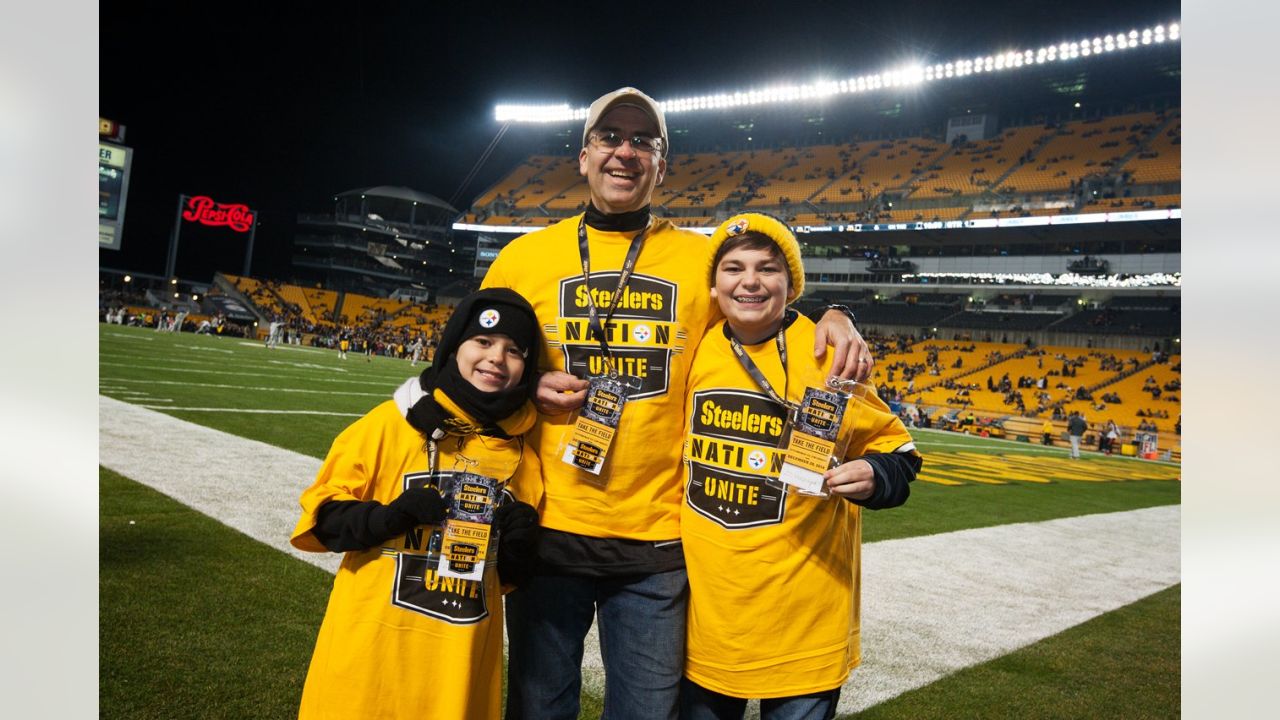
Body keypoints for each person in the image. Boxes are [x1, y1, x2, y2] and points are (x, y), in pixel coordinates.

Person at [481, 87, 874, 720]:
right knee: (537, 708)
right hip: (550, 529)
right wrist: (527, 387)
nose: (625, 152)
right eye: (611, 138)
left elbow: (769, 302)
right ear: (582, 156)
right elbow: (474, 369)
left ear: (663, 166)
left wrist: (837, 312)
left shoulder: (701, 260)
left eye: (644, 142)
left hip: (658, 548)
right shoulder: (523, 257)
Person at [680, 213, 920, 719]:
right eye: (733, 268)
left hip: (805, 619)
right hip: (710, 620)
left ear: (791, 284)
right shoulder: (695, 347)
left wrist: (876, 476)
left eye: (768, 268)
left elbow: (900, 454)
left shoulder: (828, 353)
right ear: (713, 284)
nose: (749, 281)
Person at [289, 288, 545, 720]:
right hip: (369, 660)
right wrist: (390, 516)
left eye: (514, 350)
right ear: (455, 345)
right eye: (483, 342)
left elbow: (503, 583)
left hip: (455, 669)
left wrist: (519, 549)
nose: (497, 358)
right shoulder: (390, 424)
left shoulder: (524, 458)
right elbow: (322, 521)